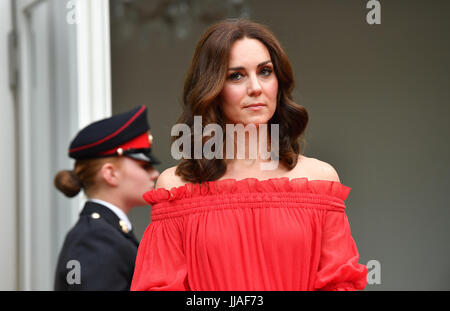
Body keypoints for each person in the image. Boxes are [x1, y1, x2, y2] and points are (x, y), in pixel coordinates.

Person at [131, 19, 367, 291]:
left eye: (265, 72)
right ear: (212, 88)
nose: (256, 87)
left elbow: (341, 285)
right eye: (237, 75)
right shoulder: (176, 187)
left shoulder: (319, 180)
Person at [54, 105, 160, 291]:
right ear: (110, 174)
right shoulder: (96, 239)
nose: (155, 174)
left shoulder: (104, 232)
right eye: (144, 166)